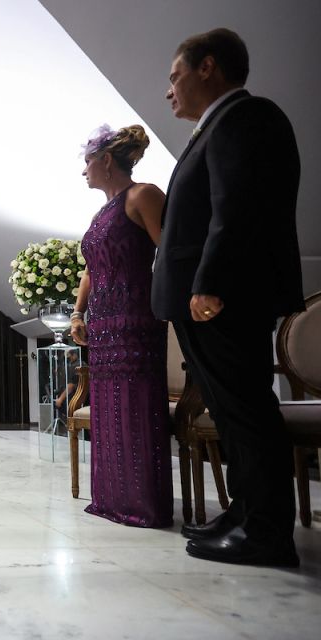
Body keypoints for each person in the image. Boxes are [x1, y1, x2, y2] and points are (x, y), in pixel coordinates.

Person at [152, 28, 303, 566]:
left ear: (207, 67)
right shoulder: (215, 126)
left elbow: (235, 208)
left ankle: (266, 533)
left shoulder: (246, 118)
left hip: (222, 295)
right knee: (230, 411)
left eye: (175, 76)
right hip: (204, 297)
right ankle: (244, 513)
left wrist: (209, 282)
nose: (169, 90)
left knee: (246, 411)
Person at [69, 124, 172, 528]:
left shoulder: (143, 194)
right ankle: (113, 497)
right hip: (103, 322)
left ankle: (143, 503)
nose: (84, 172)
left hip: (135, 317)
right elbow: (91, 270)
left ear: (106, 161)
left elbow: (171, 250)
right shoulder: (100, 213)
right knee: (109, 406)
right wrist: (79, 313)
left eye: (87, 163)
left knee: (135, 404)